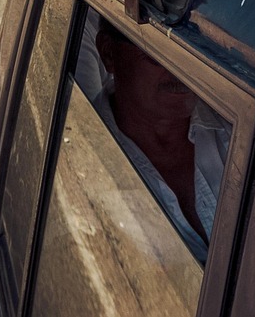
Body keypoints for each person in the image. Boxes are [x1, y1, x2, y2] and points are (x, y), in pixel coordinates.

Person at [92, 15, 228, 261]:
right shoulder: (84, 157)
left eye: (193, 50)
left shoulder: (238, 126)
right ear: (109, 53)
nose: (181, 68)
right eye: (159, 51)